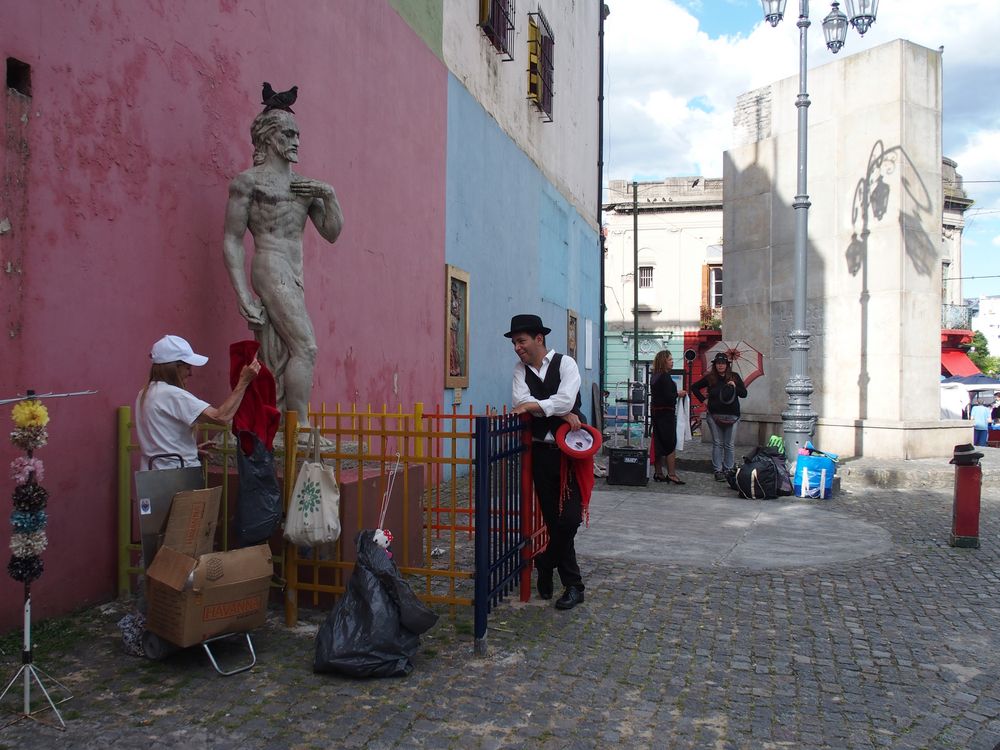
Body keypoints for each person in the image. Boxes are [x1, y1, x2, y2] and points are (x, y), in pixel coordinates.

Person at [223, 106, 344, 426]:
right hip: (269, 266)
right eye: (288, 134)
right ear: (268, 138)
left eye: (298, 135)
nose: (296, 141)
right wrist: (242, 293)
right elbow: (233, 239)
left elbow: (331, 233)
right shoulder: (248, 183)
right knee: (306, 346)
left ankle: (271, 421)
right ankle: (299, 425)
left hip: (294, 273)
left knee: (279, 352)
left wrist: (329, 195)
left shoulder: (305, 187)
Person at [507, 314, 586, 611]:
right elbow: (519, 402)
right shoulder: (520, 370)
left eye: (521, 341)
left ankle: (545, 560)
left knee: (571, 518)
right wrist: (556, 410)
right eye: (515, 343)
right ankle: (573, 584)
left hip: (570, 451)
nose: (517, 348)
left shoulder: (566, 364)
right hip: (541, 453)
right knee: (554, 520)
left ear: (539, 339)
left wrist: (539, 406)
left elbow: (566, 400)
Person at [136, 335, 261, 469]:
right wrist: (244, 381)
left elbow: (162, 441)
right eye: (188, 368)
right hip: (178, 477)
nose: (190, 373)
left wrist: (189, 451)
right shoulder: (172, 394)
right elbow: (221, 417)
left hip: (151, 475)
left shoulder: (145, 393)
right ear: (175, 368)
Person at [691, 353, 748, 480]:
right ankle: (718, 470)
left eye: (723, 363)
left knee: (729, 444)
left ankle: (728, 469)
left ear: (727, 365)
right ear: (715, 365)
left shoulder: (734, 377)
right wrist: (703, 400)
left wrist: (735, 386)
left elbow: (744, 394)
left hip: (732, 416)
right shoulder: (710, 378)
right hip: (714, 415)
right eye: (718, 363)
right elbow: (694, 387)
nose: (720, 365)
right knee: (717, 443)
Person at [649, 350, 686, 484]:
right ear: (664, 361)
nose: (672, 361)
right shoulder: (664, 376)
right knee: (670, 443)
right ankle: (671, 474)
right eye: (670, 359)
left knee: (658, 442)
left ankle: (658, 472)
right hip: (666, 414)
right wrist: (678, 394)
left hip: (656, 413)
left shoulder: (655, 376)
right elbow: (668, 397)